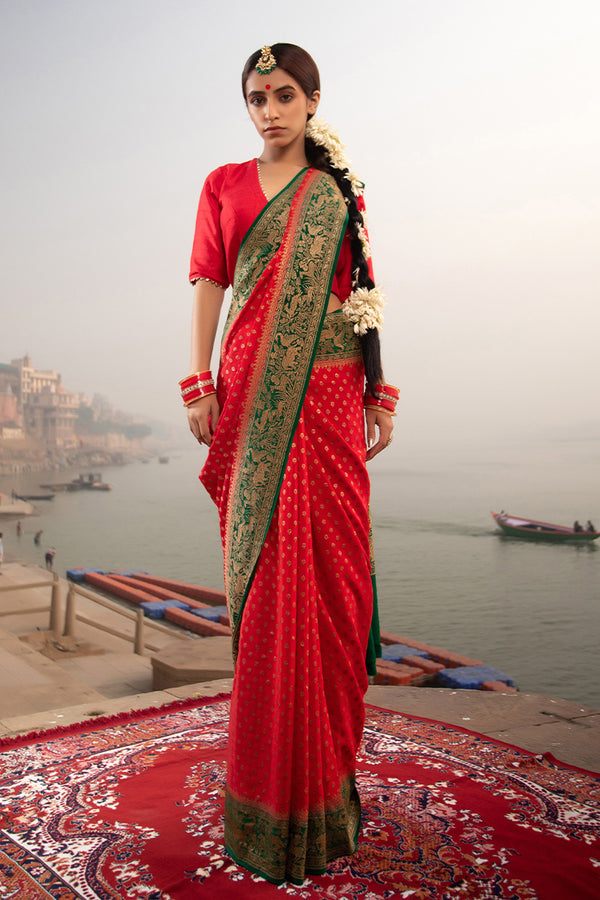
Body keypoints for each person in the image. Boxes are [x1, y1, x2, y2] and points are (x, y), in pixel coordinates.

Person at [184, 43, 397, 885]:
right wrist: (197, 379)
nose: (267, 110)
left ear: (312, 101)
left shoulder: (339, 191)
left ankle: (329, 784)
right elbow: (207, 282)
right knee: (271, 585)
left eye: (281, 95)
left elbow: (365, 294)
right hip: (252, 397)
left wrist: (380, 391)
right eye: (254, 97)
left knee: (338, 582)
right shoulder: (224, 186)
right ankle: (268, 790)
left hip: (337, 397)